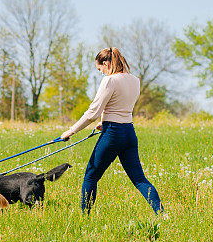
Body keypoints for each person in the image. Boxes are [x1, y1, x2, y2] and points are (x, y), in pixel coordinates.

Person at [60, 47, 164, 215]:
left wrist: (71, 131)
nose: (102, 73)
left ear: (106, 63)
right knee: (139, 179)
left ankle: (84, 217)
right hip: (129, 133)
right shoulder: (135, 80)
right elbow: (121, 107)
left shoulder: (110, 81)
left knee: (91, 176)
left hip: (113, 134)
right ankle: (162, 213)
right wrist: (104, 122)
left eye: (100, 69)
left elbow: (92, 113)